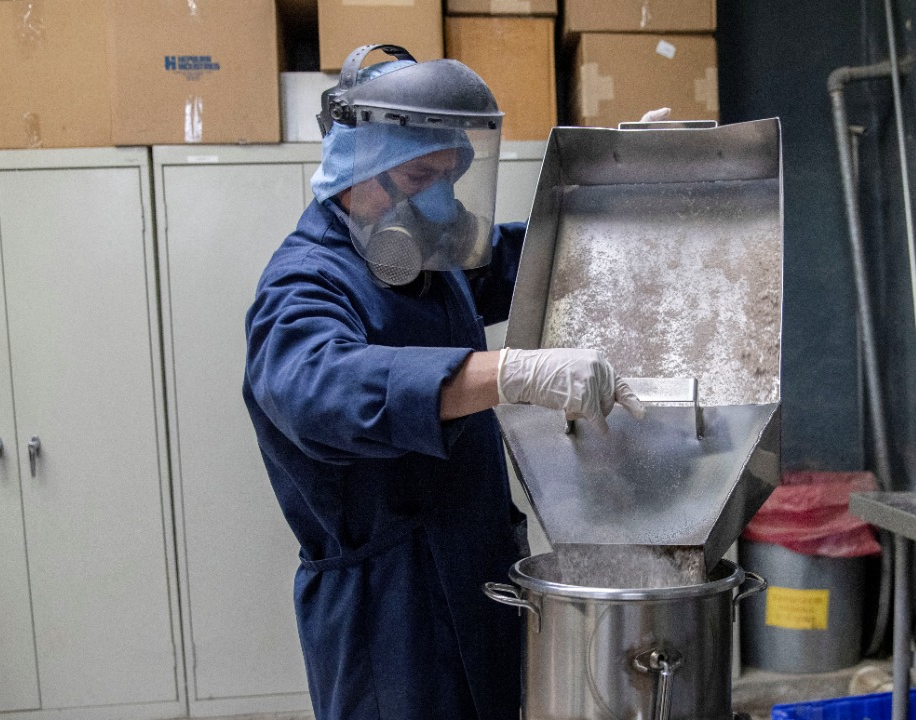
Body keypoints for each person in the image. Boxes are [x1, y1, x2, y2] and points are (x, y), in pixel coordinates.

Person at [242, 45, 643, 720]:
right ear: (359, 169)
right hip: (388, 612)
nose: (440, 201)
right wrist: (513, 372)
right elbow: (320, 388)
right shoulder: (304, 282)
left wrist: (624, 178)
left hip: (473, 567)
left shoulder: (422, 254)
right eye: (419, 175)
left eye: (450, 176)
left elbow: (535, 261)